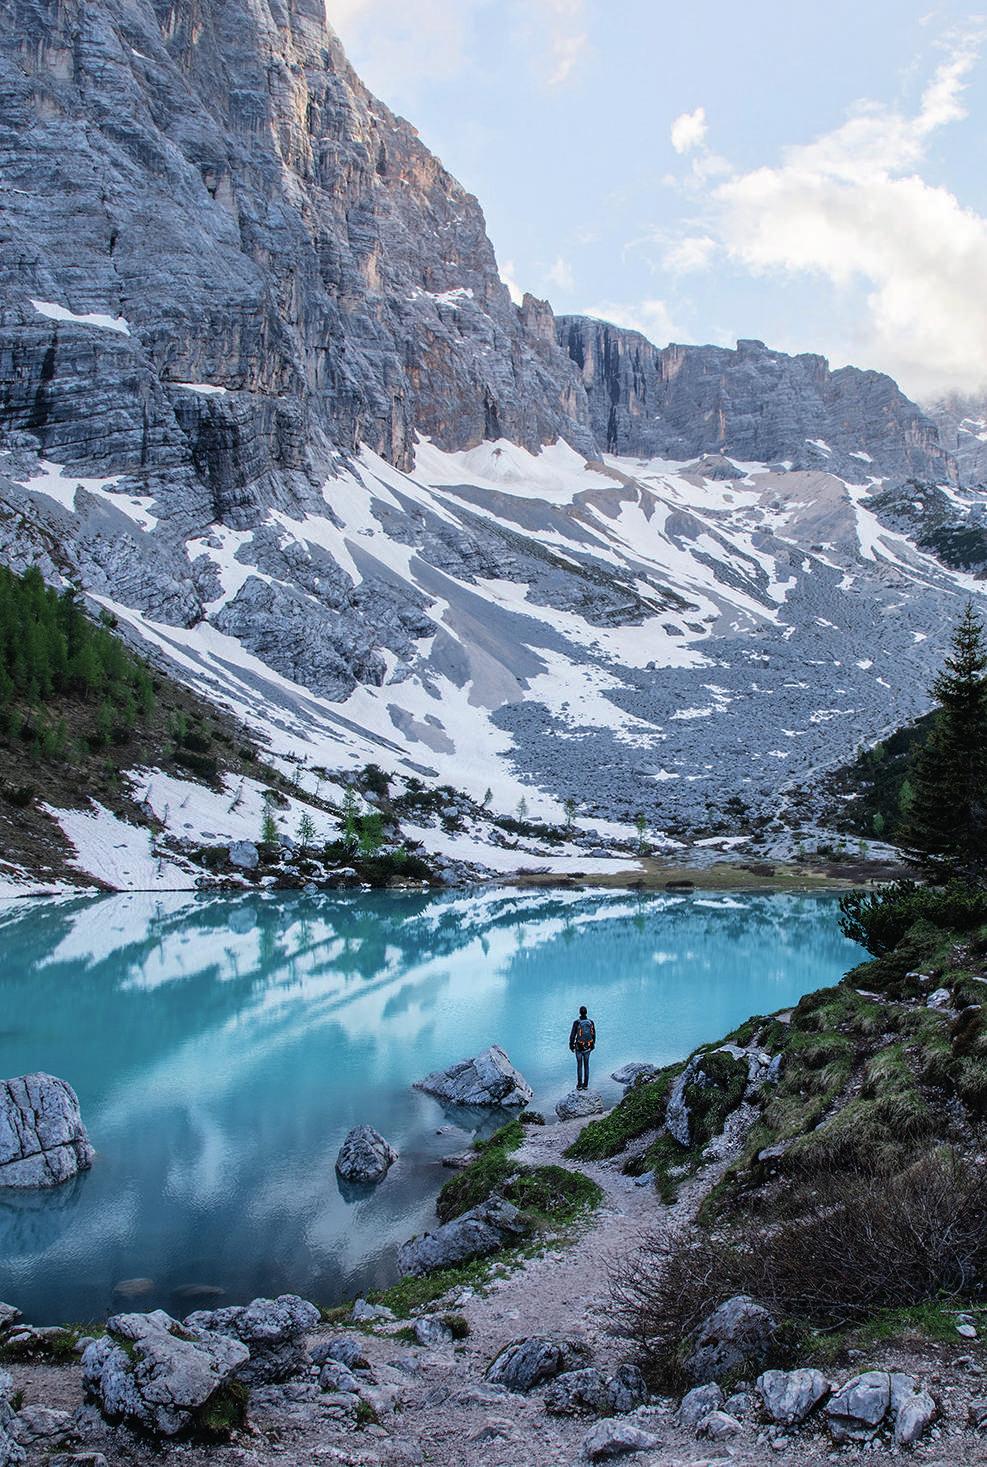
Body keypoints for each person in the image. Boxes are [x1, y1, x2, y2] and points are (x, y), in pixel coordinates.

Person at [568, 1005, 596, 1090]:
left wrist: (571, 1045)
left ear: (580, 1013)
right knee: (586, 1065)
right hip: (588, 1046)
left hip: (579, 1047)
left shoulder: (576, 1022)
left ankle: (579, 1085)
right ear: (586, 1012)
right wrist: (592, 1044)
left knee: (579, 1065)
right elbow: (594, 1034)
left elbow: (572, 1035)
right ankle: (586, 1085)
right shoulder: (591, 1022)